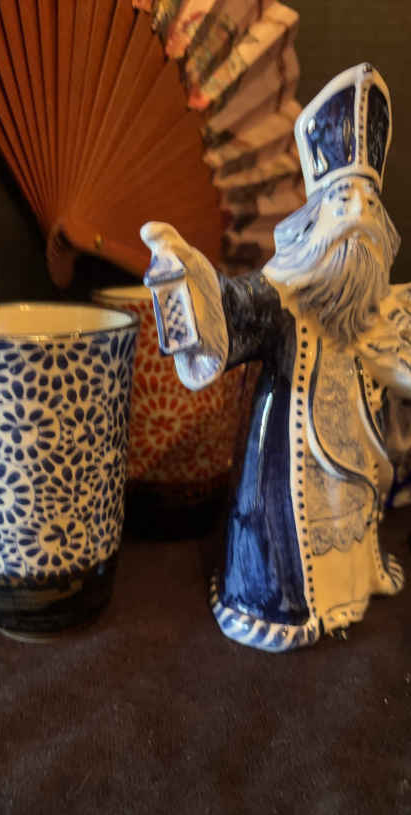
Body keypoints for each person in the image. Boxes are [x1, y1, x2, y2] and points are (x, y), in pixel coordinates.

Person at [141, 63, 411, 651]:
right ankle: (278, 605)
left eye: (369, 201)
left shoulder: (377, 308)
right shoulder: (283, 293)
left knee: (354, 515)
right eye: (344, 198)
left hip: (352, 469)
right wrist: (187, 276)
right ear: (315, 218)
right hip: (288, 474)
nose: (358, 213)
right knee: (291, 543)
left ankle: (353, 586)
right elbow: (228, 311)